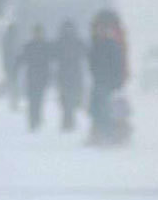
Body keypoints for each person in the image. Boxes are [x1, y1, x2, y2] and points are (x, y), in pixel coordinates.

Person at [88, 10, 127, 144]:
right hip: (99, 81)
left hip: (109, 82)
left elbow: (117, 64)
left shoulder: (112, 45)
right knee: (95, 108)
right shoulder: (95, 44)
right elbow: (92, 63)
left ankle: (108, 133)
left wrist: (117, 80)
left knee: (105, 109)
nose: (100, 31)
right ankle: (101, 133)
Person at [17, 24, 54, 132]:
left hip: (42, 78)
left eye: (39, 32)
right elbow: (22, 59)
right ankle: (33, 121)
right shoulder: (29, 46)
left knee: (39, 100)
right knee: (32, 100)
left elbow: (52, 60)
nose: (38, 35)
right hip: (31, 78)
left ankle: (37, 119)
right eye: (36, 32)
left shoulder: (46, 46)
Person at [53, 20, 87, 131]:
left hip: (73, 75)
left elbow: (86, 53)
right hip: (65, 76)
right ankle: (67, 121)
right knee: (66, 100)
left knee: (71, 99)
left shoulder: (75, 42)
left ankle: (68, 121)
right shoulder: (61, 42)